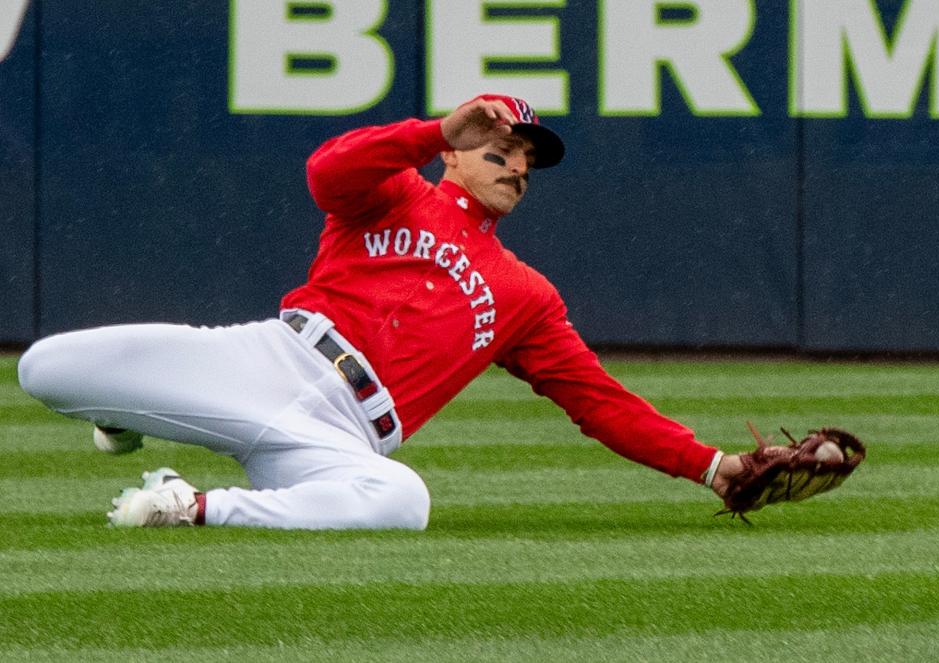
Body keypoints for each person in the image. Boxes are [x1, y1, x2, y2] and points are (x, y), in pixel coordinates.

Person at [17, 94, 744, 530]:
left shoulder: (526, 294)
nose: (518, 165)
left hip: (345, 430)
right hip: (273, 357)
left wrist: (713, 466)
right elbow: (324, 170)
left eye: (529, 158)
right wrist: (429, 132)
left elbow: (600, 402)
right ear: (459, 149)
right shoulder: (397, 191)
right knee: (41, 367)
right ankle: (129, 411)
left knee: (400, 499)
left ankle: (195, 507)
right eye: (503, 146)